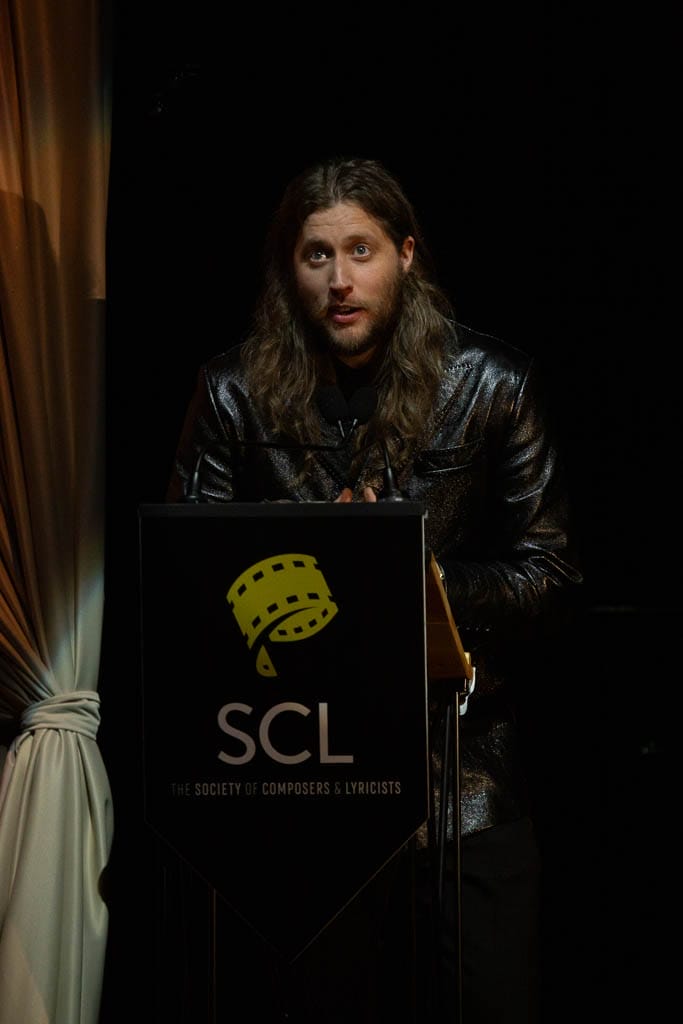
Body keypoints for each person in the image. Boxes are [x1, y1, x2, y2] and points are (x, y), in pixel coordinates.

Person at [166, 156, 583, 1022]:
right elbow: (183, 582)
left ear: (406, 254)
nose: (339, 280)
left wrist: (412, 574)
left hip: (464, 784)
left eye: (360, 250)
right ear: (288, 268)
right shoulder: (232, 393)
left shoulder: (492, 383)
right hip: (302, 785)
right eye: (316, 255)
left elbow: (549, 577)